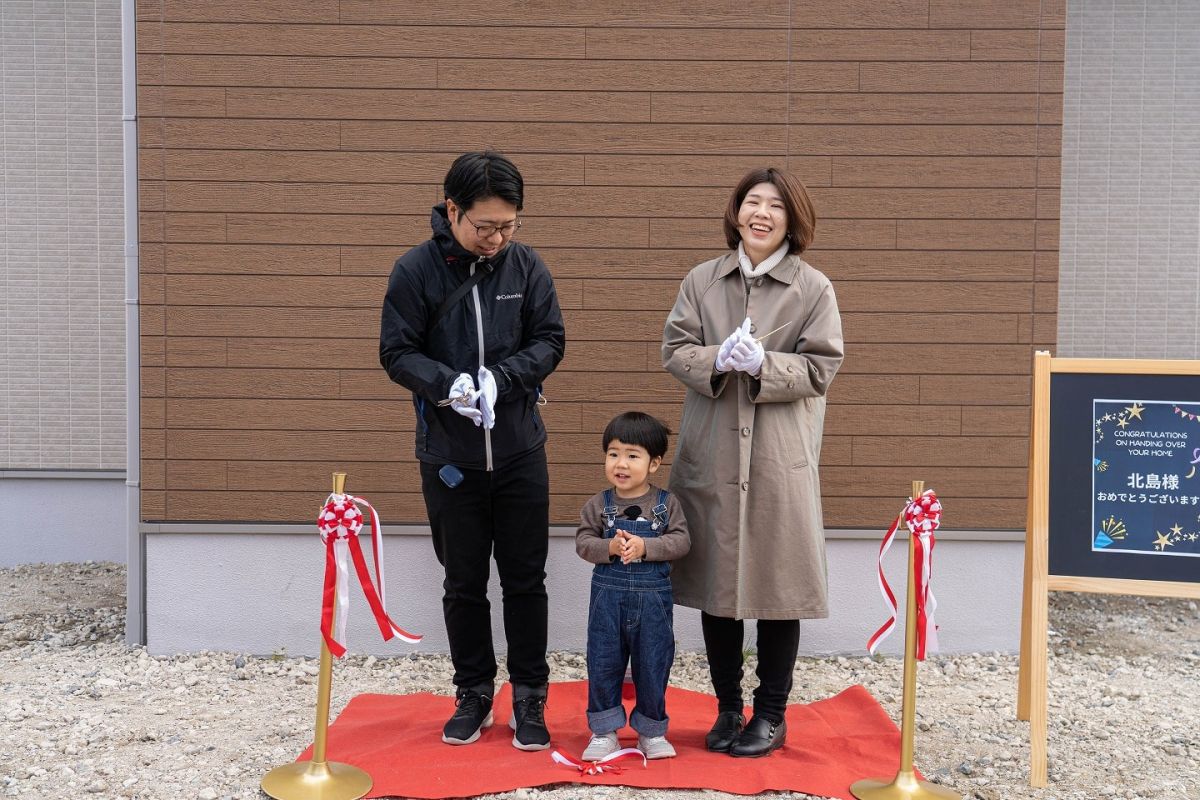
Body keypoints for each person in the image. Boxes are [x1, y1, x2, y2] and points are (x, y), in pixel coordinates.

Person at [379, 151, 566, 750]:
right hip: (450, 458)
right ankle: (474, 692)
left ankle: (531, 696)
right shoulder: (415, 271)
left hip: (519, 452)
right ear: (452, 210)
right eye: (485, 227)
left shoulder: (526, 266)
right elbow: (397, 352)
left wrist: (502, 378)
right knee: (463, 581)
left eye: (509, 226)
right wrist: (448, 385)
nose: (497, 239)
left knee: (525, 580)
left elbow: (550, 339)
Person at [661, 167, 844, 758]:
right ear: (736, 212)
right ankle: (726, 708)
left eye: (775, 206)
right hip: (712, 451)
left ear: (793, 219)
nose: (761, 213)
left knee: (776, 585)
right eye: (752, 203)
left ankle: (770, 713)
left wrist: (764, 364)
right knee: (719, 584)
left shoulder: (812, 287)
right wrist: (720, 357)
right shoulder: (702, 280)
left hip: (777, 456)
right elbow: (675, 348)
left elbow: (821, 368)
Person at [575, 412, 690, 761]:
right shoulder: (599, 505)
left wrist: (647, 547)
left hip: (653, 603)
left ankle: (651, 731)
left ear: (654, 463)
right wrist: (608, 547)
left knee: (653, 662)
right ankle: (603, 730)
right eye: (613, 453)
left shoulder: (666, 504)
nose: (620, 463)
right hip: (607, 602)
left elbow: (682, 541)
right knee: (603, 661)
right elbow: (583, 542)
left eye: (632, 455)